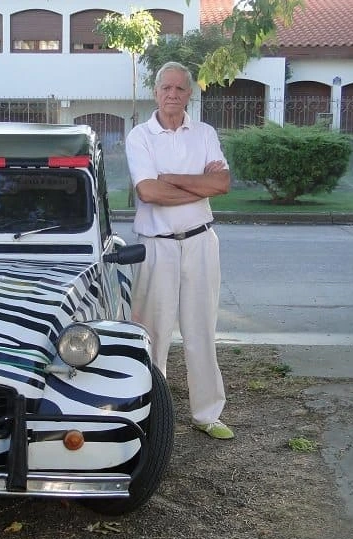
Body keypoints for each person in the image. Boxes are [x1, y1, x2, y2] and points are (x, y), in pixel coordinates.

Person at [125, 61, 234, 440]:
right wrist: (196, 186)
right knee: (151, 333)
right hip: (158, 248)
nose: (173, 95)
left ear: (190, 94)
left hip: (201, 242)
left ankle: (207, 414)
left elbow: (221, 184)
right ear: (156, 92)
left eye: (180, 89)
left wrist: (171, 178)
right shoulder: (140, 136)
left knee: (201, 329)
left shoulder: (204, 133)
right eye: (166, 88)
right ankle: (150, 414)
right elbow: (147, 192)